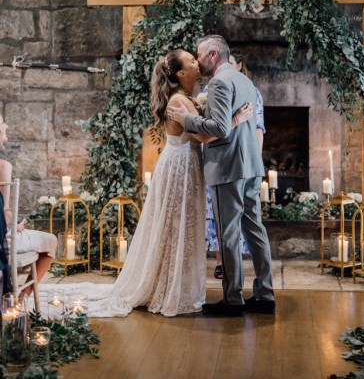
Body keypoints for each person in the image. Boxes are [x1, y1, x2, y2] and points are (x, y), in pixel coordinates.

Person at [69, 49, 252, 318]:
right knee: (176, 225)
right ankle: (169, 288)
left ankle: (172, 283)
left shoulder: (185, 97)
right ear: (181, 73)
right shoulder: (180, 101)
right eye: (191, 60)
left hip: (182, 163)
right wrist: (236, 120)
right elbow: (203, 137)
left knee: (177, 225)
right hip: (181, 165)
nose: (197, 62)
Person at [168, 35, 274, 317]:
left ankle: (232, 299)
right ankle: (265, 295)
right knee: (255, 230)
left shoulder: (218, 82)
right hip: (251, 165)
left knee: (228, 234)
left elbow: (219, 128)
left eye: (200, 55)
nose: (198, 61)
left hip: (228, 167)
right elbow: (239, 125)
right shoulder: (244, 81)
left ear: (213, 54)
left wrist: (186, 119)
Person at [205, 48, 266, 279]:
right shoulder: (211, 87)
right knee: (223, 219)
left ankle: (233, 291)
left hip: (234, 164)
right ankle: (230, 270)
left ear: (239, 66)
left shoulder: (248, 90)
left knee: (232, 224)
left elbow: (258, 128)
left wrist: (255, 161)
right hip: (221, 163)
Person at [0, 116, 57, 298]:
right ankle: (21, 298)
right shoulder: (3, 166)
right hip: (5, 240)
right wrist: (17, 226)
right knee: (52, 241)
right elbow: (4, 214)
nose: (6, 125)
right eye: (2, 123)